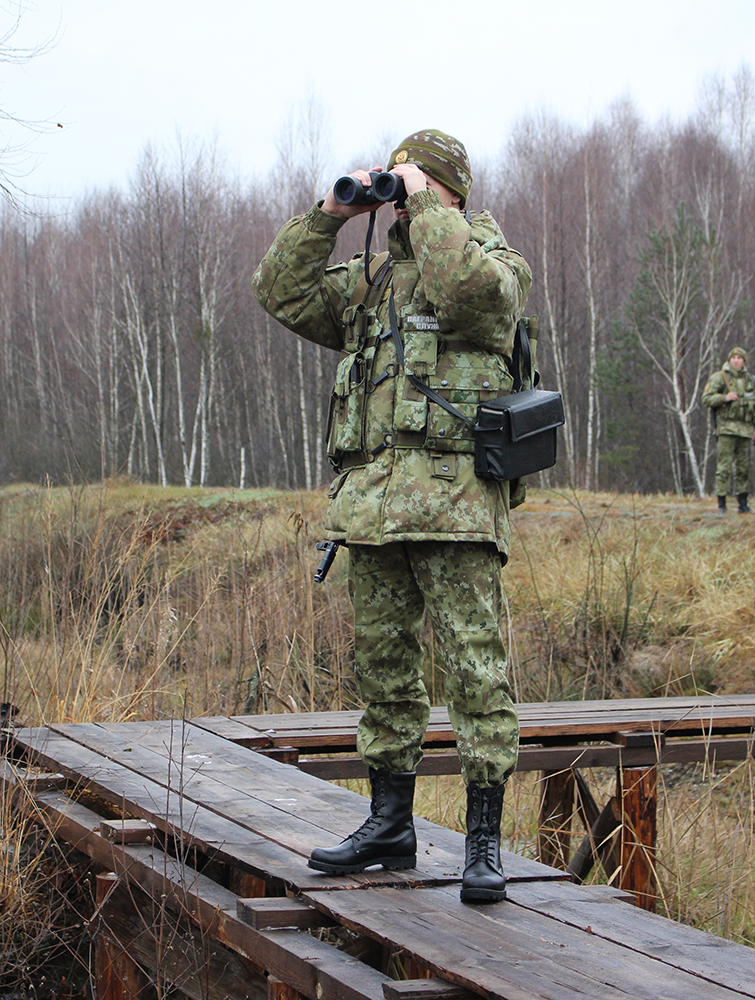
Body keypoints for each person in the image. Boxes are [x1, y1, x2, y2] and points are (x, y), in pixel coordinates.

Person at [251, 130, 530, 903]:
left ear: (449, 194)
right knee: (384, 674)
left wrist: (427, 203)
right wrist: (330, 214)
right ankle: (390, 824)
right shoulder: (369, 283)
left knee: (476, 674)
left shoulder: (495, 265)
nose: (400, 199)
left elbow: (471, 295)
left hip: (456, 509)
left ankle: (483, 841)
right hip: (373, 512)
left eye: (415, 185)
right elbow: (280, 291)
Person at [703, 346, 755, 513]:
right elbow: (706, 398)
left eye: (739, 358)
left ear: (744, 361)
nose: (736, 361)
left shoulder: (751, 380)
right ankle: (722, 505)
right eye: (734, 358)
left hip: (745, 430)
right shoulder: (719, 378)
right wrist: (724, 397)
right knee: (724, 468)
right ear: (729, 360)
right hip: (726, 429)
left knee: (743, 469)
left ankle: (743, 504)